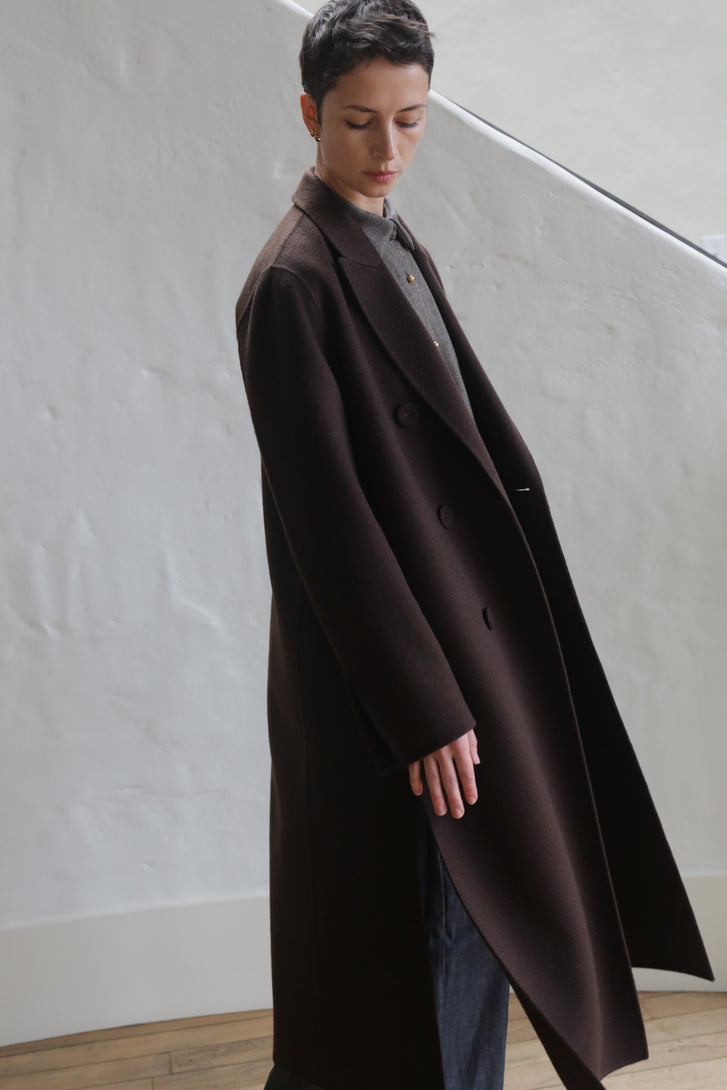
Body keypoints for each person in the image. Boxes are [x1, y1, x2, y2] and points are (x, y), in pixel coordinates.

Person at [235, 3, 712, 1089]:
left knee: (474, 936)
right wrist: (423, 703)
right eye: (359, 122)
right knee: (419, 949)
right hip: (399, 696)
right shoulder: (295, 282)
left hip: (460, 658)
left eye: (410, 121)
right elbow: (330, 523)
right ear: (309, 113)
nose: (388, 150)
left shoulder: (390, 242)